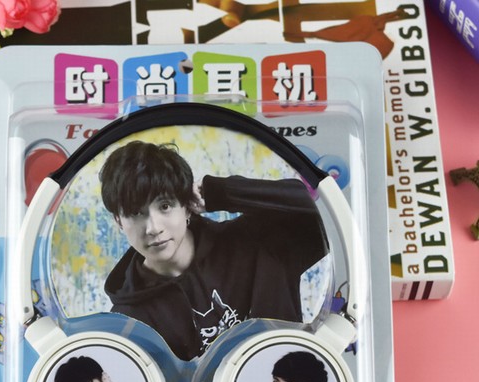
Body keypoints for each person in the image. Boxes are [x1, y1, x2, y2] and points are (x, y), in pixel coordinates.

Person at [100, 140, 330, 361]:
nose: (153, 228)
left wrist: (220, 192)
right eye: (135, 213)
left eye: (165, 206)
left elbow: (326, 210)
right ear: (119, 221)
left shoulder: (257, 242)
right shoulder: (129, 321)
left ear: (186, 207)